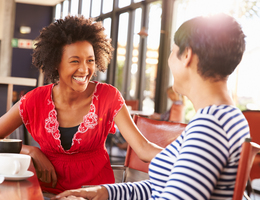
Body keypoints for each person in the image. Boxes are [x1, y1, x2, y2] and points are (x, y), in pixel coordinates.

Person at [51, 13, 250, 200]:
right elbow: (161, 186)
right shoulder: (224, 119)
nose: (170, 61)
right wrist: (104, 192)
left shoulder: (210, 126)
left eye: (172, 52)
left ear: (187, 55)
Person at [0, 16, 162, 195]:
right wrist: (30, 151)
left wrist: (189, 157)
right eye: (75, 61)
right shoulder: (34, 100)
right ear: (55, 64)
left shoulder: (109, 96)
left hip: (95, 194)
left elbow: (143, 148)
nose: (85, 70)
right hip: (46, 193)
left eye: (90, 60)